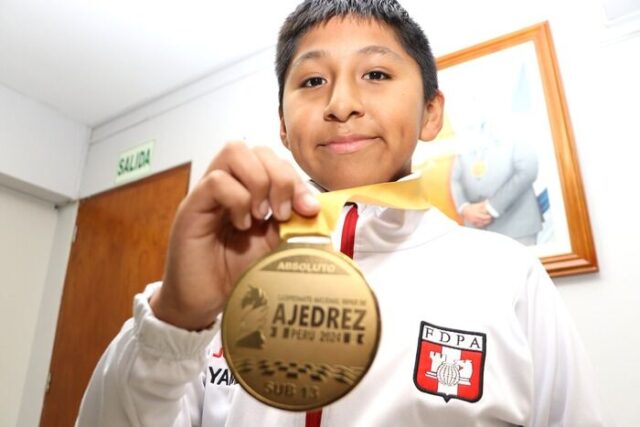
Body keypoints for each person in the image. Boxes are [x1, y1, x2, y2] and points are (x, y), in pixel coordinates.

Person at [76, 1, 607, 426]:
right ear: (283, 126)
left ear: (430, 113)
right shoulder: (226, 271)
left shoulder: (508, 276)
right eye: (312, 82)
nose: (342, 103)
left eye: (376, 73)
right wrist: (175, 317)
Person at [450, 122, 543, 245]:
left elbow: (528, 169)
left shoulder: (513, 126)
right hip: (477, 232)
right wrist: (464, 208)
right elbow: (455, 179)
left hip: (518, 228)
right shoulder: (466, 136)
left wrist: (492, 206)